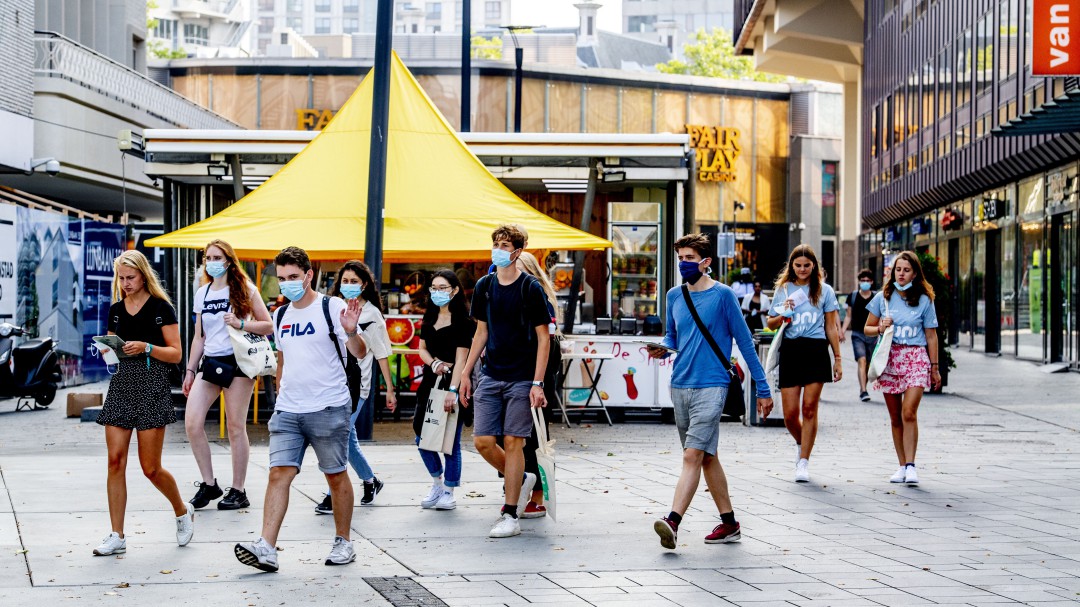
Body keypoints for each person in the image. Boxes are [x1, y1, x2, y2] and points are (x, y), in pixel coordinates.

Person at [234, 246, 368, 572]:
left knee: (335, 476)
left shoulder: (331, 306)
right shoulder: (280, 315)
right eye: (282, 279)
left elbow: (360, 352)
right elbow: (283, 358)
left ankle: (343, 541)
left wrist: (351, 329)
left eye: (293, 277)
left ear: (308, 275)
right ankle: (266, 547)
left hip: (329, 406)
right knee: (279, 473)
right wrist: (280, 394)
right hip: (289, 410)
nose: (287, 283)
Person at [647, 233, 773, 551]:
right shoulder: (674, 296)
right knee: (705, 456)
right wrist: (663, 349)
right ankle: (729, 524)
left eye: (690, 258)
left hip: (713, 384)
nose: (683, 264)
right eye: (680, 258)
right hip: (681, 384)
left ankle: (673, 522)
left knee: (692, 455)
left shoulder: (723, 296)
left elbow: (744, 341)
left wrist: (763, 386)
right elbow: (673, 336)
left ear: (706, 263)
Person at [93, 251, 193, 556]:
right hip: (122, 383)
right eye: (121, 278)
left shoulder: (162, 308)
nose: (125, 283)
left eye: (130, 277)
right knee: (115, 461)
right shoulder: (115, 310)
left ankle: (182, 510)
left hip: (152, 385)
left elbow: (176, 353)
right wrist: (106, 351)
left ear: (143, 274)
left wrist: (147, 347)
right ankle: (117, 534)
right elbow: (113, 349)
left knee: (150, 468)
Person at [460, 224, 550, 539]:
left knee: (514, 441)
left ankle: (510, 513)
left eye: (505, 244)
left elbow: (543, 337)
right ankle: (522, 477)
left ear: (518, 251)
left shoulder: (530, 287)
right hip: (491, 374)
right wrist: (466, 373)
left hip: (522, 377)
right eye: (496, 243)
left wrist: (537, 382)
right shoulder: (485, 286)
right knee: (482, 441)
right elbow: (480, 332)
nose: (498, 248)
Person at [184, 239, 274, 511]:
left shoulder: (245, 288)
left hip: (238, 362)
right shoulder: (203, 292)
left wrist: (241, 323)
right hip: (210, 363)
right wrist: (190, 370)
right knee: (192, 422)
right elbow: (199, 336)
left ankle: (238, 489)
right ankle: (209, 483)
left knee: (236, 427)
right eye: (208, 257)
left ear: (229, 260)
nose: (211, 262)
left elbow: (268, 325)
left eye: (217, 257)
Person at [314, 260, 396, 514]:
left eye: (354, 282)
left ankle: (332, 495)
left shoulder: (371, 314)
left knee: (338, 439)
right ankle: (370, 480)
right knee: (347, 440)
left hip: (356, 386)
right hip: (330, 383)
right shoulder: (332, 308)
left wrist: (390, 390)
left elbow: (381, 353)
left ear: (365, 285)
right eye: (345, 281)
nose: (349, 286)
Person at [766, 244, 843, 484]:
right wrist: (783, 313)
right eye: (797, 265)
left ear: (814, 266)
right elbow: (770, 323)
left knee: (810, 408)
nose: (802, 269)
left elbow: (831, 326)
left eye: (806, 265)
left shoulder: (825, 291)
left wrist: (838, 359)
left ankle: (804, 461)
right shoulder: (784, 289)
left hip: (816, 349)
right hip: (791, 349)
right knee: (790, 415)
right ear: (791, 266)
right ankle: (802, 442)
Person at [863, 251, 941, 486]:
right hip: (891, 357)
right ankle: (901, 466)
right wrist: (879, 327)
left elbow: (931, 335)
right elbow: (866, 328)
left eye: (906, 270)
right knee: (895, 417)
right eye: (898, 269)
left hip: (916, 357)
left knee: (909, 412)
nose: (902, 274)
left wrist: (934, 367)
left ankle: (911, 465)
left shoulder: (925, 299)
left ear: (915, 273)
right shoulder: (883, 297)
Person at [414, 270, 475, 510]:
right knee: (421, 436)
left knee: (450, 440)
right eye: (434, 288)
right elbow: (422, 349)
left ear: (455, 290)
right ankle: (436, 482)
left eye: (443, 287)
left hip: (453, 384)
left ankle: (449, 490)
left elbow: (462, 359)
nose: (438, 292)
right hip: (430, 382)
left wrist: (453, 390)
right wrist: (434, 363)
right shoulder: (428, 318)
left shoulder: (464, 321)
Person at [515, 251, 562, 518]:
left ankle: (538, 494)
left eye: (520, 267)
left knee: (534, 438)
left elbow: (550, 346)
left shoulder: (541, 300)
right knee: (511, 437)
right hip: (512, 374)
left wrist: (540, 383)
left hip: (536, 378)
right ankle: (516, 485)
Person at [841, 269, 879, 402]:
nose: (865, 283)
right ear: (859, 282)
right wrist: (842, 331)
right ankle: (863, 390)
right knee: (861, 360)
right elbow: (848, 316)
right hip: (857, 334)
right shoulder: (853, 296)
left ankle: (864, 386)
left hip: (873, 335)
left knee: (869, 364)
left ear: (872, 282)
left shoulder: (876, 297)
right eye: (863, 280)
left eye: (868, 281)